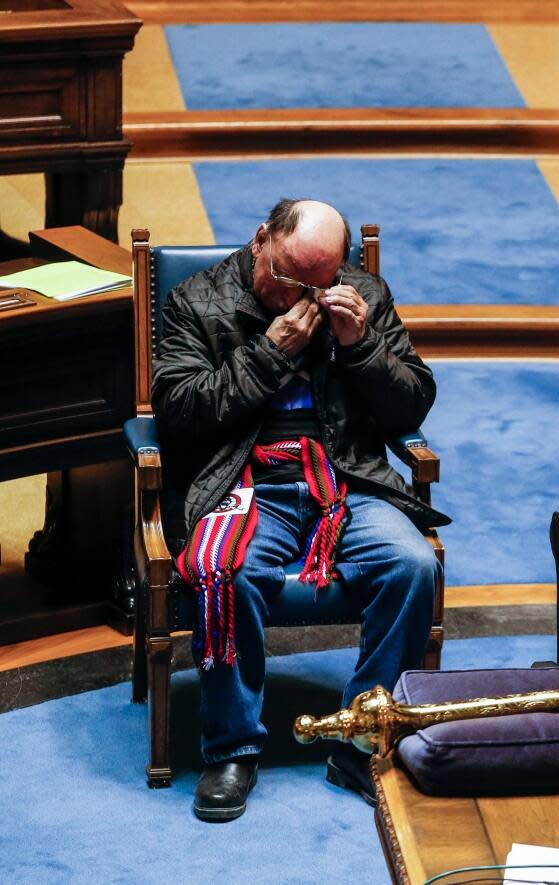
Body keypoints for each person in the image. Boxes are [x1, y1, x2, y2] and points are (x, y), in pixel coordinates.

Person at [152, 198, 448, 822]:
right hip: (244, 481)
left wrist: (363, 346)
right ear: (261, 239)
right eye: (291, 280)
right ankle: (232, 749)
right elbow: (179, 418)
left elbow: (412, 408)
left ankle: (360, 733)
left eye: (321, 283)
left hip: (343, 479)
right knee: (220, 571)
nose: (303, 300)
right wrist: (268, 354)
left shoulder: (362, 293)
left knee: (413, 565)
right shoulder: (196, 303)